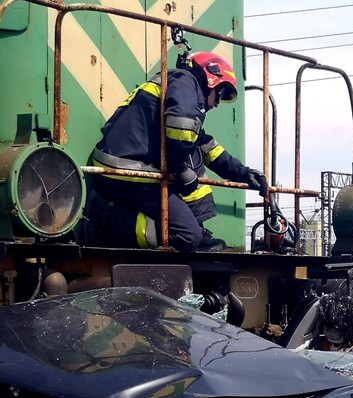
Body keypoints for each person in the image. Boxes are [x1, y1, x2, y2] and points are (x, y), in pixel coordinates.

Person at [88, 51, 269, 251]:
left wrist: (244, 173)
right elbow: (179, 129)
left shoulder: (180, 89)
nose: (217, 103)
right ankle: (105, 219)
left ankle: (197, 227)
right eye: (220, 93)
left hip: (129, 164)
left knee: (193, 153)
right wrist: (181, 169)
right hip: (123, 166)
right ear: (211, 77)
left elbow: (208, 148)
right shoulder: (185, 80)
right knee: (187, 236)